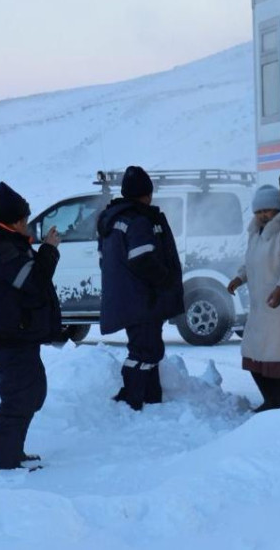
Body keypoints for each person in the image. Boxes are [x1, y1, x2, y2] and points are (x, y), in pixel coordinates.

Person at [0, 182, 62, 471]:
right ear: (16, 221)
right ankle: (4, 461)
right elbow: (35, 283)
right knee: (19, 397)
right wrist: (50, 251)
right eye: (26, 220)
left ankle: (13, 452)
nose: (28, 225)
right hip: (9, 337)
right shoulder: (4, 250)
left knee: (32, 392)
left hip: (14, 334)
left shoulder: (2, 244)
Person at [97, 166, 185, 411]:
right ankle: (132, 400)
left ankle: (151, 397)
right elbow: (143, 259)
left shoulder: (112, 220)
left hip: (126, 298)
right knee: (145, 351)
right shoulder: (137, 220)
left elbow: (105, 260)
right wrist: (165, 279)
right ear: (146, 194)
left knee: (146, 348)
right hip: (142, 299)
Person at [227, 184, 280, 411]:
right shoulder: (255, 233)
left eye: (267, 210)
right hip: (261, 307)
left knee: (279, 360)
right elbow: (251, 262)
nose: (262, 215)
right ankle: (272, 400)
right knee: (253, 356)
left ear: (277, 209)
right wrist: (239, 278)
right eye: (258, 211)